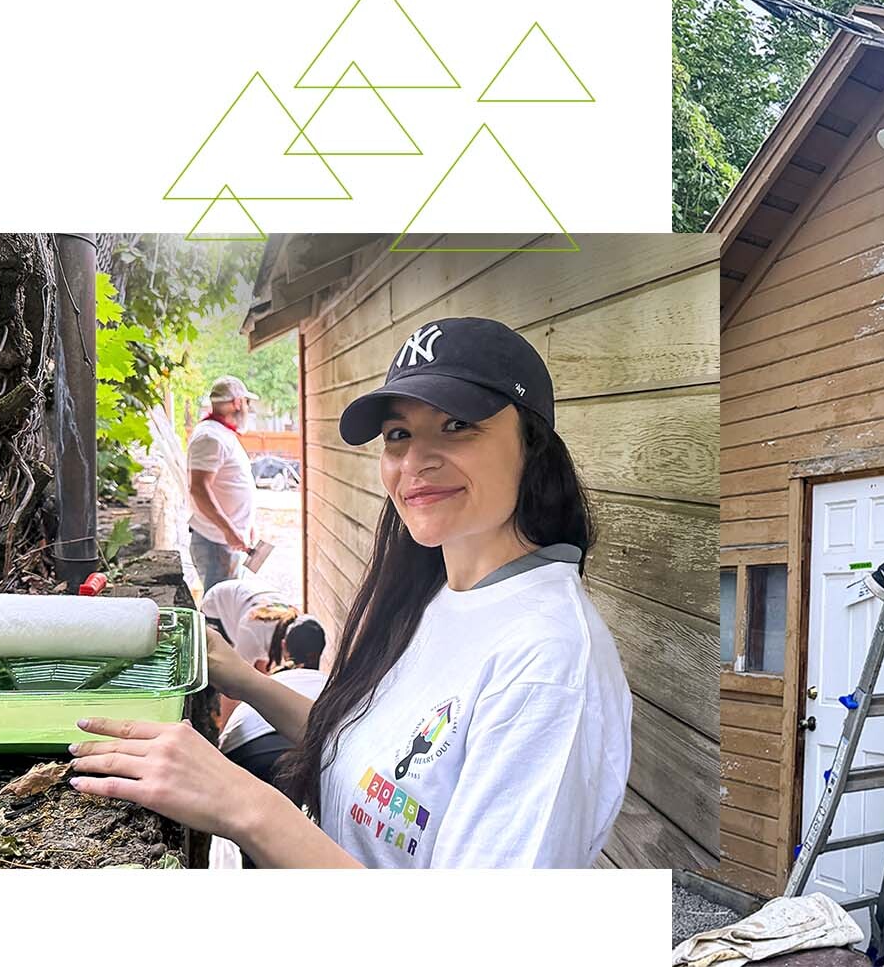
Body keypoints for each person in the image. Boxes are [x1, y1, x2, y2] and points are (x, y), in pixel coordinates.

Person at [69, 317, 634, 868]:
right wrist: (239, 675)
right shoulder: (443, 593)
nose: (415, 460)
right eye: (398, 435)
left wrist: (245, 805)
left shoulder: (550, 665)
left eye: (458, 424)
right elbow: (364, 757)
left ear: (533, 446)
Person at [211, 616, 329, 869]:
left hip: (246, 749)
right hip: (315, 749)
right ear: (321, 651)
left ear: (285, 646)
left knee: (255, 843)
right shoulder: (331, 682)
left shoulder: (271, 680)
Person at [187, 375, 259, 594]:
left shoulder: (220, 433)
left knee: (228, 605)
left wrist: (246, 525)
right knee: (219, 613)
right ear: (237, 402)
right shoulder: (210, 437)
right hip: (216, 544)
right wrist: (228, 530)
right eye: (246, 403)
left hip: (226, 542)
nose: (248, 408)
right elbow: (199, 489)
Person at [198, 576, 298, 671]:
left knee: (258, 663)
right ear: (284, 645)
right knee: (224, 661)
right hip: (217, 603)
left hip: (245, 595)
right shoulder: (251, 633)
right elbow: (237, 674)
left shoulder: (294, 619)